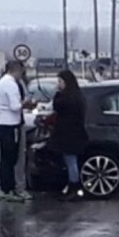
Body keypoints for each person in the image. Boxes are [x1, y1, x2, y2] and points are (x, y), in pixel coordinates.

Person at [0, 60, 36, 202]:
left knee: (4, 158)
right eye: (21, 72)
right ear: (16, 70)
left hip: (1, 123)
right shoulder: (11, 85)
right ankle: (9, 189)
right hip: (11, 124)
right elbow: (15, 106)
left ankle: (5, 188)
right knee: (11, 159)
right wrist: (27, 103)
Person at [50, 70, 89, 200]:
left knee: (71, 160)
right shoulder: (78, 96)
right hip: (75, 133)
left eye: (60, 82)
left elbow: (57, 107)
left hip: (68, 134)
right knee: (71, 160)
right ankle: (72, 186)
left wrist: (57, 94)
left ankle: (74, 186)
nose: (59, 84)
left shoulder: (66, 98)